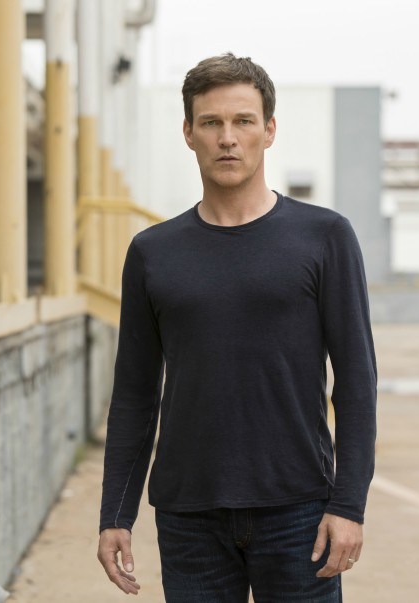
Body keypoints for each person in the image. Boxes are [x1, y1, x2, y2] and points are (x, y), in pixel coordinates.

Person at [96, 53, 377, 602]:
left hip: (299, 510)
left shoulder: (325, 237)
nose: (228, 138)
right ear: (188, 133)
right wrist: (115, 514)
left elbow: (357, 382)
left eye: (243, 121)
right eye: (211, 122)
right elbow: (133, 393)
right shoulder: (153, 253)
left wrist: (348, 505)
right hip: (189, 515)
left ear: (268, 131)